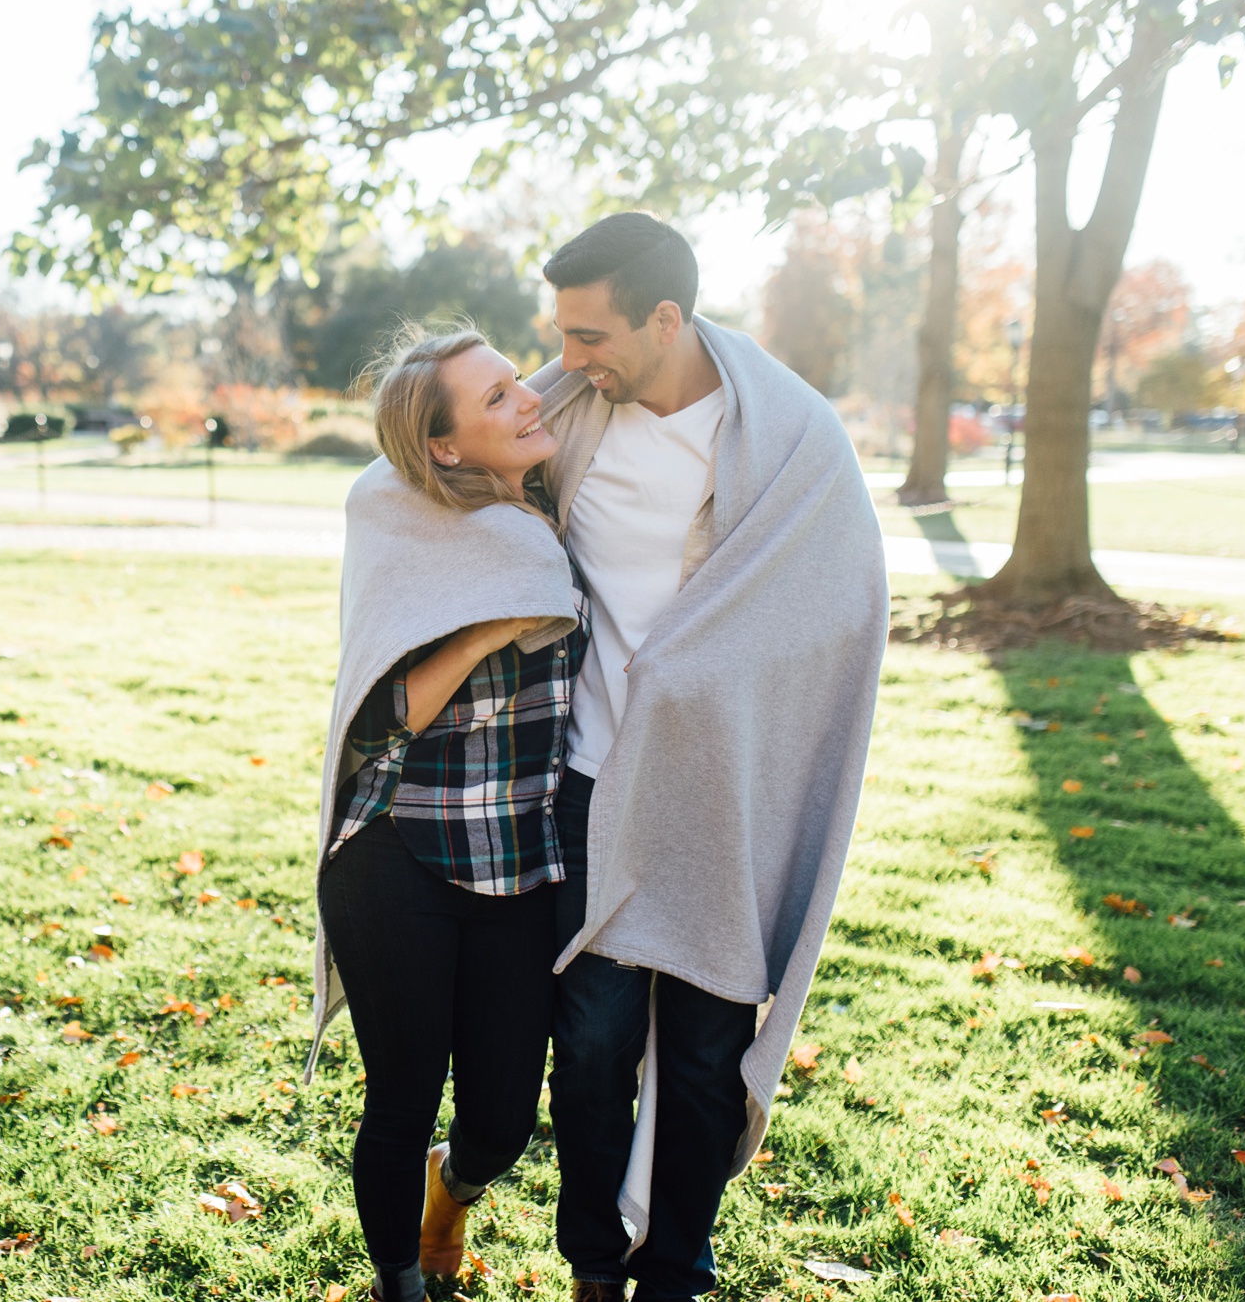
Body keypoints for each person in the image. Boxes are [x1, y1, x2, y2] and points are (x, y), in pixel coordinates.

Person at [521, 213, 887, 1302]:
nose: (567, 356)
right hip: (590, 779)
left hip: (721, 797)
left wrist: (702, 672)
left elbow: (842, 603)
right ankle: (594, 1258)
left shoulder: (788, 437)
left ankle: (674, 1268)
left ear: (665, 317)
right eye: (560, 333)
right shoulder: (560, 411)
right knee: (585, 1050)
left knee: (698, 1057)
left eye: (588, 334)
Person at [308, 325, 588, 1302]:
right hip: (398, 856)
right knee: (399, 1096)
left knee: (505, 1115)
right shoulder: (407, 517)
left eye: (518, 382)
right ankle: (398, 1281)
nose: (529, 402)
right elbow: (378, 715)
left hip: (516, 859)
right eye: (498, 398)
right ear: (443, 446)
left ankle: (453, 1184)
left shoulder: (555, 503)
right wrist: (484, 630)